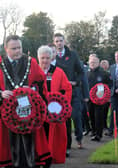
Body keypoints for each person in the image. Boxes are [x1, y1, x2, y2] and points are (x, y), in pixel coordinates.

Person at [0, 35, 51, 168]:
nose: (18, 51)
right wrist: (1, 93)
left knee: (30, 151)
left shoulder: (31, 62)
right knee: (9, 151)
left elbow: (41, 83)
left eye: (19, 48)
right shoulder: (0, 65)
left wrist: (32, 89)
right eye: (14, 48)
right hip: (6, 116)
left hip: (28, 113)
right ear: (6, 49)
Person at [37, 45, 72, 164]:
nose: (45, 61)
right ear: (38, 58)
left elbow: (67, 88)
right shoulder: (34, 72)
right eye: (42, 58)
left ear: (51, 58)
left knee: (54, 136)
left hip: (53, 111)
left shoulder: (58, 72)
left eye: (47, 58)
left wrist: (62, 105)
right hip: (37, 112)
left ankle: (51, 157)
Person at [53, 33, 84, 156]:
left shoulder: (72, 55)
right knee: (64, 120)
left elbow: (81, 72)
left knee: (75, 116)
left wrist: (75, 82)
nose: (59, 43)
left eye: (61, 41)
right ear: (54, 43)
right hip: (60, 94)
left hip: (73, 91)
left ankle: (79, 137)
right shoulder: (52, 56)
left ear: (64, 41)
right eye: (57, 41)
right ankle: (67, 146)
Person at [88, 54, 111, 141]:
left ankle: (98, 134)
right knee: (91, 116)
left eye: (94, 62)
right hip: (89, 99)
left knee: (98, 116)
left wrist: (105, 93)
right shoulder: (87, 73)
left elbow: (110, 84)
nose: (92, 64)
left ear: (98, 63)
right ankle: (93, 132)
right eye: (91, 62)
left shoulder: (104, 73)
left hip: (100, 100)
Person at [100, 60, 110, 130]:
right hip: (99, 93)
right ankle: (102, 124)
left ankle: (104, 124)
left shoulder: (108, 74)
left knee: (105, 110)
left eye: (105, 64)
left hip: (106, 94)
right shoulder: (100, 73)